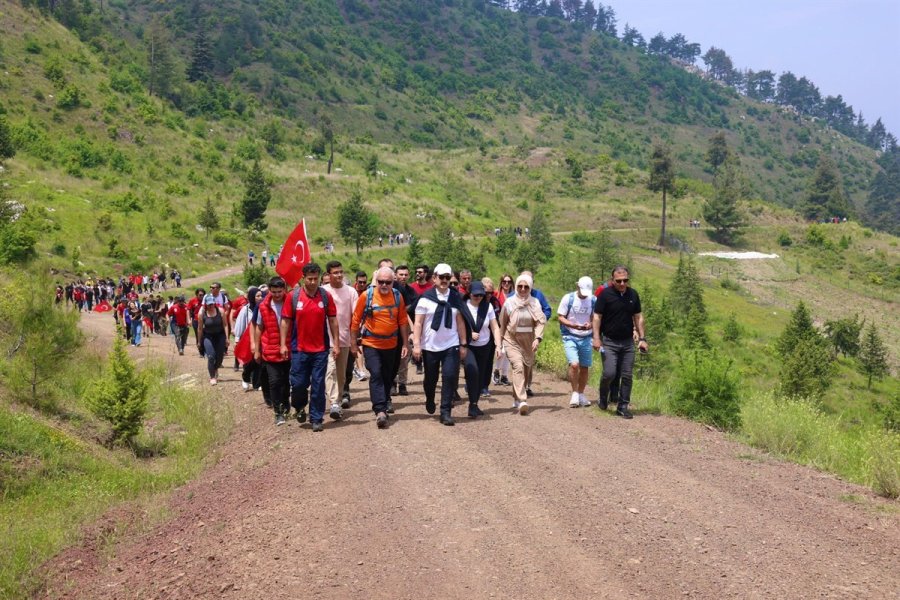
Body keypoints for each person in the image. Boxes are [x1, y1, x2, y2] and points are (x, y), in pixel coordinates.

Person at [279, 263, 339, 433]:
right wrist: (283, 344)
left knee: (318, 385)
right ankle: (299, 406)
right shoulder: (294, 297)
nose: (313, 282)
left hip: (320, 349)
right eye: (309, 279)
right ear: (303, 278)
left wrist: (336, 343)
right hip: (299, 349)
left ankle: (316, 418)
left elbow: (333, 320)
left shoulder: (325, 297)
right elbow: (285, 321)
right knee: (298, 384)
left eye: (315, 279)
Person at [350, 266, 409, 429]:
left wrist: (405, 343)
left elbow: (403, 321)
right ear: (376, 281)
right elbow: (355, 321)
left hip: (391, 344)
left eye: (387, 282)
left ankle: (384, 400)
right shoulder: (366, 296)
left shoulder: (398, 297)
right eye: (380, 281)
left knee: (388, 375)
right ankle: (380, 410)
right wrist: (353, 344)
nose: (383, 285)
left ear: (393, 282)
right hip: (371, 344)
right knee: (376, 373)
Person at [413, 263, 468, 426]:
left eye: (447, 277)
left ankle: (445, 412)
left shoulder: (455, 297)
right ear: (434, 278)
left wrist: (463, 344)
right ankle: (430, 397)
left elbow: (460, 321)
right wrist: (416, 344)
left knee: (450, 377)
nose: (444, 280)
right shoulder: (425, 299)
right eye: (441, 277)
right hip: (430, 346)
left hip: (451, 344)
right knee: (431, 379)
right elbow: (418, 324)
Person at [591, 266, 648, 419]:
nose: (622, 283)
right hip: (609, 342)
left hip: (628, 342)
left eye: (625, 280)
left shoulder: (633, 294)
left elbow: (638, 317)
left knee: (627, 375)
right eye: (619, 281)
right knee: (609, 373)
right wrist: (596, 338)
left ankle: (623, 406)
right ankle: (603, 397)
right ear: (612, 280)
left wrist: (642, 338)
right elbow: (597, 317)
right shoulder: (605, 295)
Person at [497, 272, 546, 415]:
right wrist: (499, 344)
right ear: (516, 287)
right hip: (511, 340)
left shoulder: (535, 303)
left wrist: (537, 338)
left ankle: (516, 396)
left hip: (528, 341)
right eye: (520, 286)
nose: (523, 289)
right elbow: (503, 322)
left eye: (526, 287)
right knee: (517, 366)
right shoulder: (509, 302)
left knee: (525, 370)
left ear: (530, 287)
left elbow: (540, 322)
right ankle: (523, 400)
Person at [323, 261, 359, 419]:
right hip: (325, 340)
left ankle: (336, 400)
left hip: (344, 339)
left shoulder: (351, 292)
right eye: (335, 272)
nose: (339, 275)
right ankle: (334, 403)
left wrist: (354, 341)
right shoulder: (323, 292)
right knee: (329, 371)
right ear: (328, 275)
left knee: (341, 374)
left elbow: (355, 318)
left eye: (340, 272)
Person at [461, 281, 501, 418]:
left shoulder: (487, 307)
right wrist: (469, 333)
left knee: (481, 376)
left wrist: (498, 345)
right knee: (473, 371)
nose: (478, 297)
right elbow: (457, 326)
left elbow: (495, 327)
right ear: (469, 293)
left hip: (485, 346)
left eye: (481, 295)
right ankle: (472, 403)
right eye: (475, 295)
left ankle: (474, 404)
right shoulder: (463, 306)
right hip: (468, 346)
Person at [255, 277, 291, 424]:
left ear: (284, 290)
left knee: (286, 382)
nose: (277, 295)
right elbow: (258, 327)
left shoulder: (290, 303)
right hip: (269, 350)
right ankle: (278, 412)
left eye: (279, 292)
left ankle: (286, 404)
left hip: (288, 349)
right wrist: (256, 349)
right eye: (274, 292)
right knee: (274, 382)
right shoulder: (263, 306)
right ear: (269, 291)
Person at [558, 276, 595, 408]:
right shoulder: (568, 298)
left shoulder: (593, 300)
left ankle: (581, 393)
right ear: (577, 287)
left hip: (586, 337)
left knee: (585, 367)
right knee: (574, 364)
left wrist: (590, 324)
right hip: (570, 336)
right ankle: (574, 392)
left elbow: (595, 318)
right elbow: (560, 317)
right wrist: (572, 325)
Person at [392, 264, 419, 396]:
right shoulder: (390, 287)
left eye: (405, 275)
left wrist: (414, 331)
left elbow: (411, 309)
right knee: (392, 357)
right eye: (400, 274)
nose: (403, 277)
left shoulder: (411, 291)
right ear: (395, 275)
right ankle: (392, 383)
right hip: (391, 327)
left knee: (404, 356)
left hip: (407, 325)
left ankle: (402, 384)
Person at [196, 295, 227, 385]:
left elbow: (225, 325)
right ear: (205, 304)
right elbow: (200, 328)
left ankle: (216, 368)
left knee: (220, 356)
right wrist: (199, 341)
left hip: (220, 335)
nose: (211, 306)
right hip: (208, 336)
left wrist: (227, 338)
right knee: (211, 356)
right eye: (209, 305)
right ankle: (212, 377)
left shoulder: (220, 311)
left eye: (212, 304)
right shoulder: (202, 314)